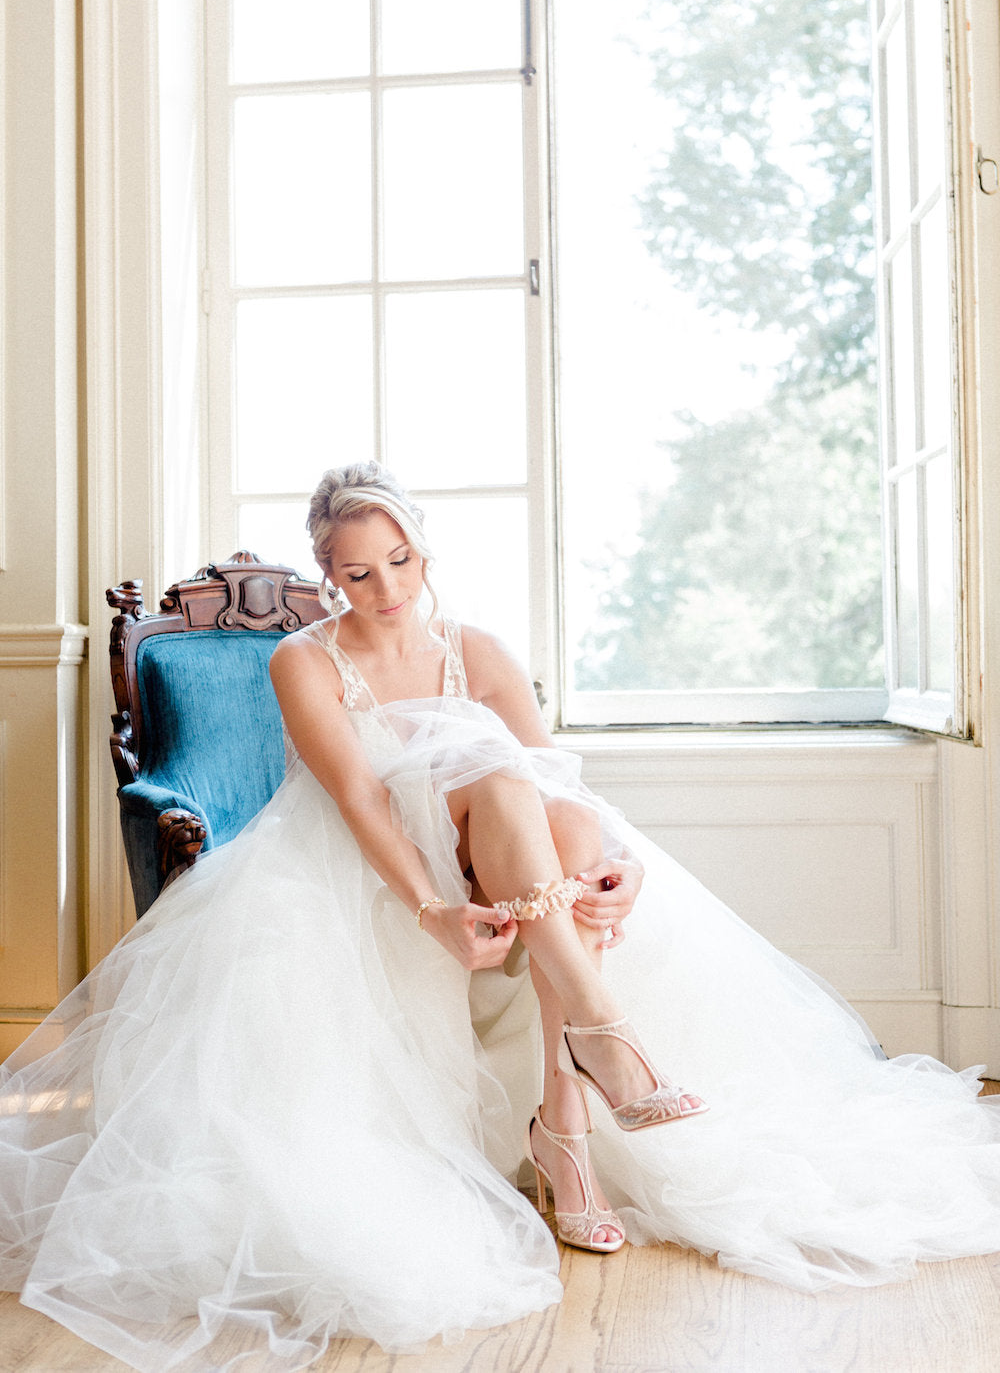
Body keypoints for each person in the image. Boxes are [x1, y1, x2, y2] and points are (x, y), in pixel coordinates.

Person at [1, 460, 1000, 1373]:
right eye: (357, 574)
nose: (386, 590)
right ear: (327, 575)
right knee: (491, 771)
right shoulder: (301, 662)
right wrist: (433, 907)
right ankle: (593, 1070)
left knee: (549, 817)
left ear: (423, 549)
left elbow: (561, 779)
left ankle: (567, 1110)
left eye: (399, 562)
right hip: (374, 868)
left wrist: (613, 862)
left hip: (509, 857)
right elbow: (355, 801)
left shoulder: (474, 647)